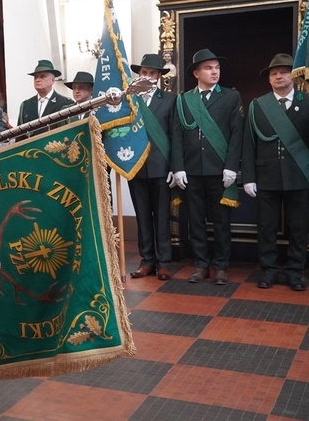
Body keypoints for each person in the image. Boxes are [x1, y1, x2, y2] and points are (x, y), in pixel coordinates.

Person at [172, 49, 243, 285]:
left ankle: (221, 266)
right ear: (196, 73)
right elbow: (177, 135)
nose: (214, 72)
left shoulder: (231, 97)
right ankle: (201, 264)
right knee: (195, 221)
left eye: (217, 68)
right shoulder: (184, 100)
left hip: (220, 171)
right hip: (192, 171)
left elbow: (236, 135)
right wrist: (178, 167)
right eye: (208, 68)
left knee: (222, 222)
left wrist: (232, 166)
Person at [242, 54, 309, 291]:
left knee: (299, 229)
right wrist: (248, 177)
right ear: (269, 79)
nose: (279, 76)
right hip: (267, 176)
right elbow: (249, 144)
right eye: (273, 73)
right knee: (266, 228)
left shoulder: (307, 101)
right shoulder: (258, 105)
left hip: (299, 175)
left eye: (283, 71)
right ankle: (268, 270)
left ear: (293, 75)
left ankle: (294, 272)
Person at [126, 54, 176, 281]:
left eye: (152, 73)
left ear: (159, 77)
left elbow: (175, 136)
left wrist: (175, 167)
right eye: (144, 73)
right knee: (142, 216)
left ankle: (164, 262)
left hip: (161, 167)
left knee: (162, 217)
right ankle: (147, 260)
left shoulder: (170, 99)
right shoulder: (129, 102)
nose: (147, 76)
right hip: (136, 167)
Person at [17, 60, 73, 136]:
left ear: (52, 80)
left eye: (42, 76)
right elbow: (19, 136)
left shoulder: (65, 104)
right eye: (35, 77)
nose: (37, 80)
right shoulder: (26, 105)